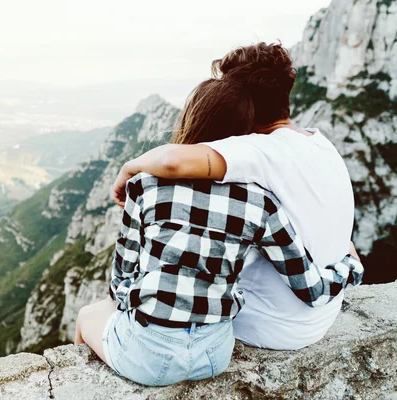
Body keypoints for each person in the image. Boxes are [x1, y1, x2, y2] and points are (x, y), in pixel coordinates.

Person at [75, 77, 363, 387]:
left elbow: (121, 280)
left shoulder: (144, 186)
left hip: (149, 356)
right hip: (216, 354)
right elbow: (312, 289)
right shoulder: (260, 203)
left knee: (88, 315)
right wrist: (352, 264)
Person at [111, 42, 361, 350]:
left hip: (265, 325)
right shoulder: (321, 144)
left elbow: (172, 161)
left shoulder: (258, 150)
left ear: (241, 103)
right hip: (320, 313)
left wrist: (129, 168)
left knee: (111, 313)